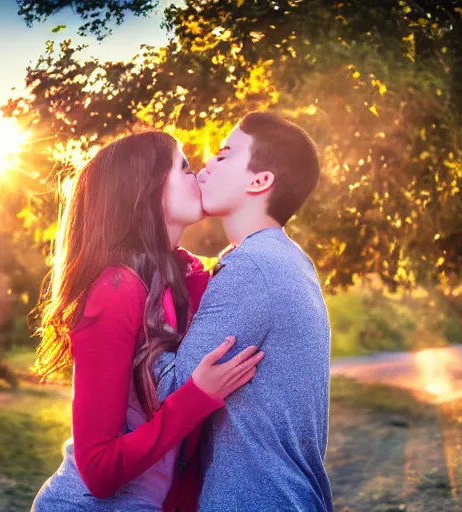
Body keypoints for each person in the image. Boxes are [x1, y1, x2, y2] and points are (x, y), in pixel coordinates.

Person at [31, 131, 264, 511]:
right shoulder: (116, 288)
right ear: (146, 187)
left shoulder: (183, 279)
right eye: (184, 166)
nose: (199, 173)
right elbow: (98, 470)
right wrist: (196, 398)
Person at [161, 112, 334, 511]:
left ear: (260, 181)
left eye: (222, 157)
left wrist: (128, 316)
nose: (204, 167)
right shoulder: (288, 259)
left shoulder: (253, 267)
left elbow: (175, 390)